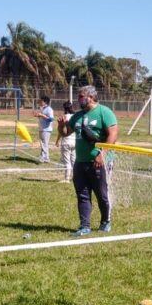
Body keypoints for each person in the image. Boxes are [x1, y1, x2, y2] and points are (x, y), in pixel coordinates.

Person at [57, 85, 118, 237]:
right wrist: (60, 126)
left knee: (102, 194)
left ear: (91, 97)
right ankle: (85, 226)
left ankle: (105, 221)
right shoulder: (77, 116)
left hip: (99, 162)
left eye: (81, 96)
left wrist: (102, 155)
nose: (78, 100)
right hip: (80, 162)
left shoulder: (104, 112)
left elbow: (113, 135)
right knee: (82, 194)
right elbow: (65, 133)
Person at [55, 102, 75, 183]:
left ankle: (67, 178)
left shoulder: (64, 117)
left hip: (66, 141)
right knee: (74, 161)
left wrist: (57, 140)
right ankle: (76, 177)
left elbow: (61, 131)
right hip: (75, 141)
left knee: (67, 161)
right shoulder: (75, 117)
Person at [33, 95, 54, 163]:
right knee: (43, 144)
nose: (39, 102)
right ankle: (46, 158)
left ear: (45, 101)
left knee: (44, 144)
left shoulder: (49, 109)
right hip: (42, 128)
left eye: (41, 100)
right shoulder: (43, 108)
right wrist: (38, 116)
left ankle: (43, 157)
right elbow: (43, 118)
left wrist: (42, 115)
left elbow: (51, 119)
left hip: (46, 129)